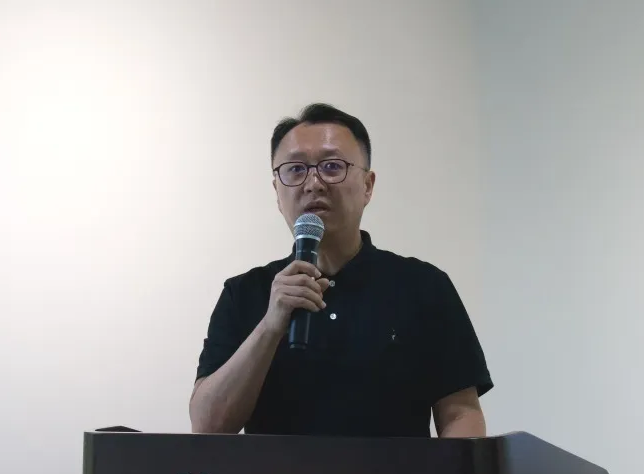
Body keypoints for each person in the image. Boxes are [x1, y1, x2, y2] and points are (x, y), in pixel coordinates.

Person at [189, 103, 491, 438]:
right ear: (277, 192)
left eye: (332, 167)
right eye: (295, 169)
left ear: (368, 186)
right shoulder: (244, 293)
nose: (313, 183)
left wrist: (452, 472)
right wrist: (270, 326)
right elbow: (207, 428)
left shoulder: (424, 287)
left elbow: (461, 414)